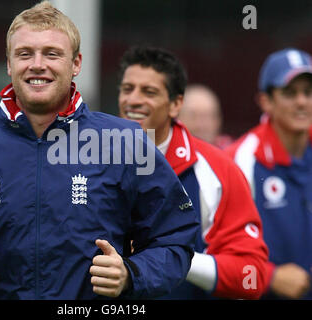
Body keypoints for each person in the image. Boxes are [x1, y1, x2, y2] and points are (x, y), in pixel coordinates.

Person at [0, 1, 199, 300]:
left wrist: (131, 274)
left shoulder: (125, 142)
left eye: (52, 54)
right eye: (25, 54)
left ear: (76, 63)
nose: (38, 65)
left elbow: (175, 239)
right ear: (9, 64)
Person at [117, 46, 269, 299]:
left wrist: (170, 258)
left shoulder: (217, 170)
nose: (133, 100)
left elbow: (252, 276)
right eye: (127, 89)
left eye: (149, 91)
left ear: (176, 104)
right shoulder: (94, 160)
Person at [226, 48, 312, 300]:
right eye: (289, 93)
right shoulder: (240, 160)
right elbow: (213, 249)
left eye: (308, 92)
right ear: (266, 101)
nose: (302, 102)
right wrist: (269, 276)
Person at [178, 84, 233, 149]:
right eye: (193, 116)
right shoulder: (166, 153)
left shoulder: (232, 153)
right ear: (177, 118)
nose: (201, 125)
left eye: (208, 117)